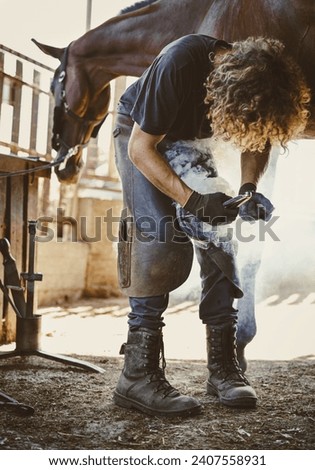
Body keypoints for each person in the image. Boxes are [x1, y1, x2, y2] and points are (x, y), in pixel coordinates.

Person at [112, 34, 310, 417]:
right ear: (227, 93)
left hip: (187, 138)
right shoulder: (179, 64)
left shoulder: (256, 81)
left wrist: (248, 189)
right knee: (160, 236)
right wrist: (193, 200)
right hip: (141, 135)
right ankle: (137, 374)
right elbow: (141, 148)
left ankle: (223, 369)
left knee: (220, 235)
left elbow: (257, 135)